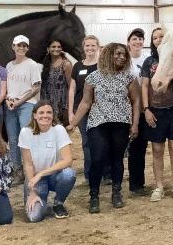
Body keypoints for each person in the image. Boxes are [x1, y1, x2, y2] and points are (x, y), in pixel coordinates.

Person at [68, 43, 141, 213]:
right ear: (108, 54)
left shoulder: (129, 77)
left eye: (124, 55)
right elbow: (86, 103)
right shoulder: (93, 77)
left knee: (117, 159)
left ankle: (116, 193)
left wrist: (135, 124)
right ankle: (94, 196)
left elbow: (136, 101)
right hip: (97, 123)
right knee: (97, 158)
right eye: (118, 54)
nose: (122, 57)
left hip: (121, 123)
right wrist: (72, 123)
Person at [141, 26, 173, 202]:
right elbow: (145, 87)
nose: (158, 40)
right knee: (157, 149)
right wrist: (146, 109)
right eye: (154, 37)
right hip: (155, 109)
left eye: (161, 37)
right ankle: (159, 186)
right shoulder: (149, 62)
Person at [19, 100, 75, 222]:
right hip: (35, 179)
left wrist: (41, 174)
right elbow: (28, 165)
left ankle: (58, 203)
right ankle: (47, 207)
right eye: (41, 112)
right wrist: (32, 192)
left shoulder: (59, 130)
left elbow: (68, 160)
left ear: (53, 115)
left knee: (69, 174)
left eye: (49, 112)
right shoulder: (25, 132)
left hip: (54, 175)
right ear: (34, 115)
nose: (45, 116)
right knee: (34, 217)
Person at [4, 35, 42, 184]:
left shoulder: (32, 65)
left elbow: (35, 88)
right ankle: (17, 170)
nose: (21, 48)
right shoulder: (9, 66)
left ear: (27, 48)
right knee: (13, 140)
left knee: (26, 138)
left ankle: (30, 169)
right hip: (11, 105)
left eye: (24, 46)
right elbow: (7, 86)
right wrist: (8, 100)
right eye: (18, 45)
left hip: (27, 104)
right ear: (13, 47)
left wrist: (19, 102)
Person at [68, 35, 101, 182]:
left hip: (100, 110)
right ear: (83, 47)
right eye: (87, 45)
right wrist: (71, 112)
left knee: (101, 141)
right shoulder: (77, 66)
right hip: (81, 110)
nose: (90, 48)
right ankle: (90, 174)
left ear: (98, 47)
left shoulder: (102, 65)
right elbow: (72, 89)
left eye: (93, 45)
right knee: (86, 142)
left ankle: (105, 173)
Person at [126, 28, 152, 197]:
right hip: (127, 109)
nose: (138, 42)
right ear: (129, 41)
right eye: (134, 39)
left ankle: (138, 184)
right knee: (130, 147)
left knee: (139, 147)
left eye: (140, 39)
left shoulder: (147, 60)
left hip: (144, 109)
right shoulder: (124, 60)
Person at [40, 40, 72, 126]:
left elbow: (71, 86)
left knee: (59, 130)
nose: (56, 49)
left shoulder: (66, 64)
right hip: (46, 102)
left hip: (61, 104)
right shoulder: (44, 63)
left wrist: (68, 106)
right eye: (53, 47)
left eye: (59, 47)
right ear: (48, 49)